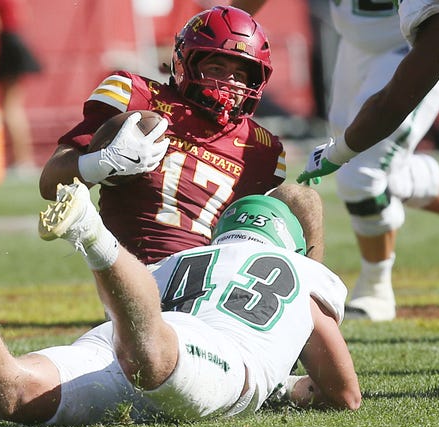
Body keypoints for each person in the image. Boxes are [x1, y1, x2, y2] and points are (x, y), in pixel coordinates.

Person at [0, 182, 361, 426]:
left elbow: (132, 309)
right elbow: (344, 394)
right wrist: (285, 387)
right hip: (199, 355)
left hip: (144, 331)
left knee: (15, 393)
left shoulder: (189, 255)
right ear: (292, 245)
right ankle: (92, 235)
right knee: (153, 358)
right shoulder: (303, 274)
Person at [235, 0, 439, 320]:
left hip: (417, 42)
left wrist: (340, 152)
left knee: (363, 171)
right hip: (356, 41)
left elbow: (388, 107)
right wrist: (230, 20)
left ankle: (375, 289)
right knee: (386, 168)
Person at [39, 6, 326, 265]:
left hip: (219, 279)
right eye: (216, 67)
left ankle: (309, 305)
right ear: (183, 63)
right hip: (147, 275)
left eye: (240, 75)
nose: (229, 83)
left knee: (302, 200)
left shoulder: (262, 149)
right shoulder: (136, 97)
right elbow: (50, 184)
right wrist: (101, 162)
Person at [0, 0, 41, 175]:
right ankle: (22, 159)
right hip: (15, 38)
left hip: (8, 41)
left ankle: (22, 160)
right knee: (13, 106)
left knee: (10, 107)